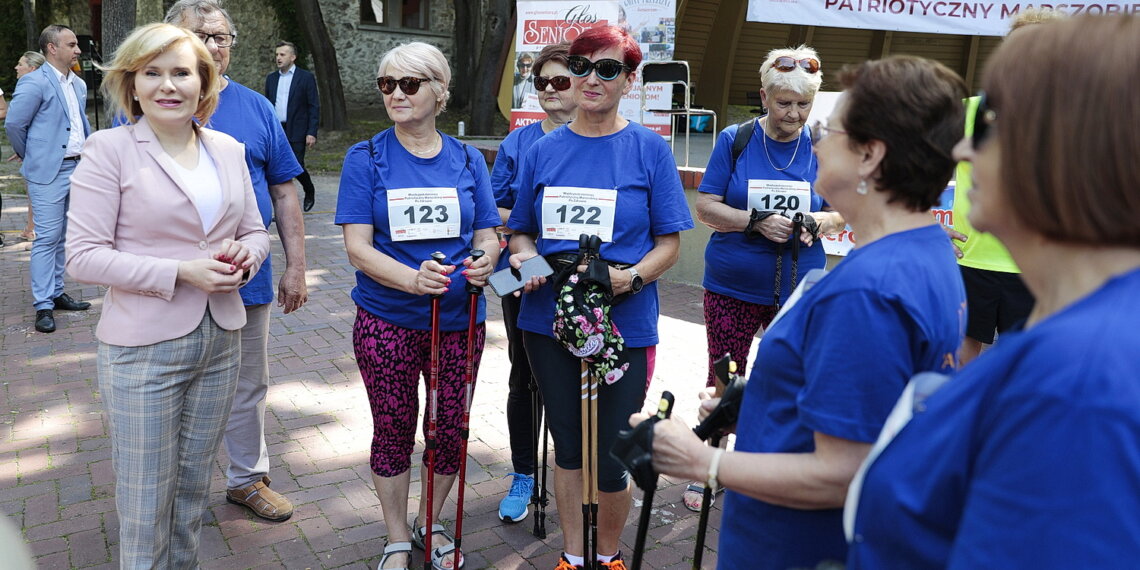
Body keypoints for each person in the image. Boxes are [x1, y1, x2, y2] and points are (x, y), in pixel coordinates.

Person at [630, 55, 968, 569]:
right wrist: (764, 408)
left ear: (870, 156)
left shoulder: (866, 292)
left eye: (828, 129)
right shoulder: (925, 248)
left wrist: (704, 462)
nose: (814, 141)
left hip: (797, 547)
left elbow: (843, 472)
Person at [847, 15, 1140, 568]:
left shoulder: (1077, 382)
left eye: (992, 122)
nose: (961, 150)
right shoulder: (1091, 337)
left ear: (1069, 144)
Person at [65, 23, 270, 567]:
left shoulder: (228, 148)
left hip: (221, 341)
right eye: (151, 73)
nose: (167, 85)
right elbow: (82, 256)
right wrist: (181, 271)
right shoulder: (107, 150)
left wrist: (249, 255)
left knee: (189, 494)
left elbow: (255, 229)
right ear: (130, 84)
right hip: (142, 352)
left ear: (205, 82)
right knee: (145, 498)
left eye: (181, 72)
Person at [507, 26, 695, 570]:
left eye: (607, 69)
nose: (591, 79)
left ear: (629, 80)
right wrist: (526, 258)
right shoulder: (544, 149)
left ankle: (608, 557)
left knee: (611, 452)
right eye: (581, 67)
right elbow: (520, 230)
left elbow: (669, 244)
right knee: (568, 445)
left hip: (624, 322)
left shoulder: (649, 149)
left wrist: (628, 279)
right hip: (549, 320)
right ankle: (572, 555)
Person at [336, 41, 500, 570]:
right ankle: (396, 537)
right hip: (389, 321)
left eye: (409, 84)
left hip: (459, 321)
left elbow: (487, 231)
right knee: (393, 427)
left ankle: (432, 521)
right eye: (387, 85)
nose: (396, 95)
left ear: (439, 90)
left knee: (449, 427)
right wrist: (412, 279)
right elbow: (358, 247)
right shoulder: (367, 157)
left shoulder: (469, 157)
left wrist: (484, 260)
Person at [164, 0, 308, 523]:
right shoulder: (146, 102)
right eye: (202, 35)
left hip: (248, 276)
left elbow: (284, 190)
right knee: (174, 387)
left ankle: (247, 478)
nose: (214, 46)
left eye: (223, 37)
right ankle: (173, 491)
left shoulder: (256, 107)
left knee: (248, 382)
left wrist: (296, 267)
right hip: (172, 280)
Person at [686, 45, 846, 512]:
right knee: (724, 377)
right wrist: (753, 221)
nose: (793, 113)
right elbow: (706, 206)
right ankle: (711, 467)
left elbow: (847, 208)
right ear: (763, 96)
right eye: (783, 103)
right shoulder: (735, 139)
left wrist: (821, 222)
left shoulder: (823, 143)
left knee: (791, 380)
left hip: (799, 288)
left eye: (803, 104)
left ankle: (772, 472)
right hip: (733, 284)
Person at [489, 41, 577, 524]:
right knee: (523, 372)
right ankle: (524, 473)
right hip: (520, 269)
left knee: (574, 371)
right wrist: (530, 232)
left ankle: (576, 471)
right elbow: (493, 209)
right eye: (540, 82)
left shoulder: (599, 139)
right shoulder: (517, 143)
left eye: (559, 81)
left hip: (583, 273)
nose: (547, 90)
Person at [947, 8, 1063, 365]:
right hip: (972, 258)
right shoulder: (967, 112)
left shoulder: (1065, 119)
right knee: (961, 360)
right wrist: (923, 223)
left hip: (1034, 265)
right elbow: (918, 166)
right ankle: (963, 419)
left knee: (1026, 364)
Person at [5, 25, 92, 333]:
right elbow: (14, 124)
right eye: (72, 44)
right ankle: (43, 304)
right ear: (52, 48)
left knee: (65, 235)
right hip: (48, 172)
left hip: (77, 169)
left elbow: (79, 125)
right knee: (46, 237)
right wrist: (31, 154)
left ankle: (56, 292)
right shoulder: (34, 82)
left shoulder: (78, 84)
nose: (78, 49)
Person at [265, 40, 320, 212]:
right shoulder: (272, 79)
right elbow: (268, 104)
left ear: (293, 57)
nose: (278, 58)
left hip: (297, 128)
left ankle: (309, 189)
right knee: (275, 166)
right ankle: (281, 206)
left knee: (296, 164)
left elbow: (313, 106)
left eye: (282, 54)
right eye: (277, 55)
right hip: (277, 129)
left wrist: (311, 132)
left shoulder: (305, 78)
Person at [10, 51, 47, 242]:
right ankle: (30, 228)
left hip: (40, 152)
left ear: (32, 68)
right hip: (38, 148)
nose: (16, 67)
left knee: (36, 192)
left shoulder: (30, 86)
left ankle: (34, 231)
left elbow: (15, 124)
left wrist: (23, 150)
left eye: (20, 64)